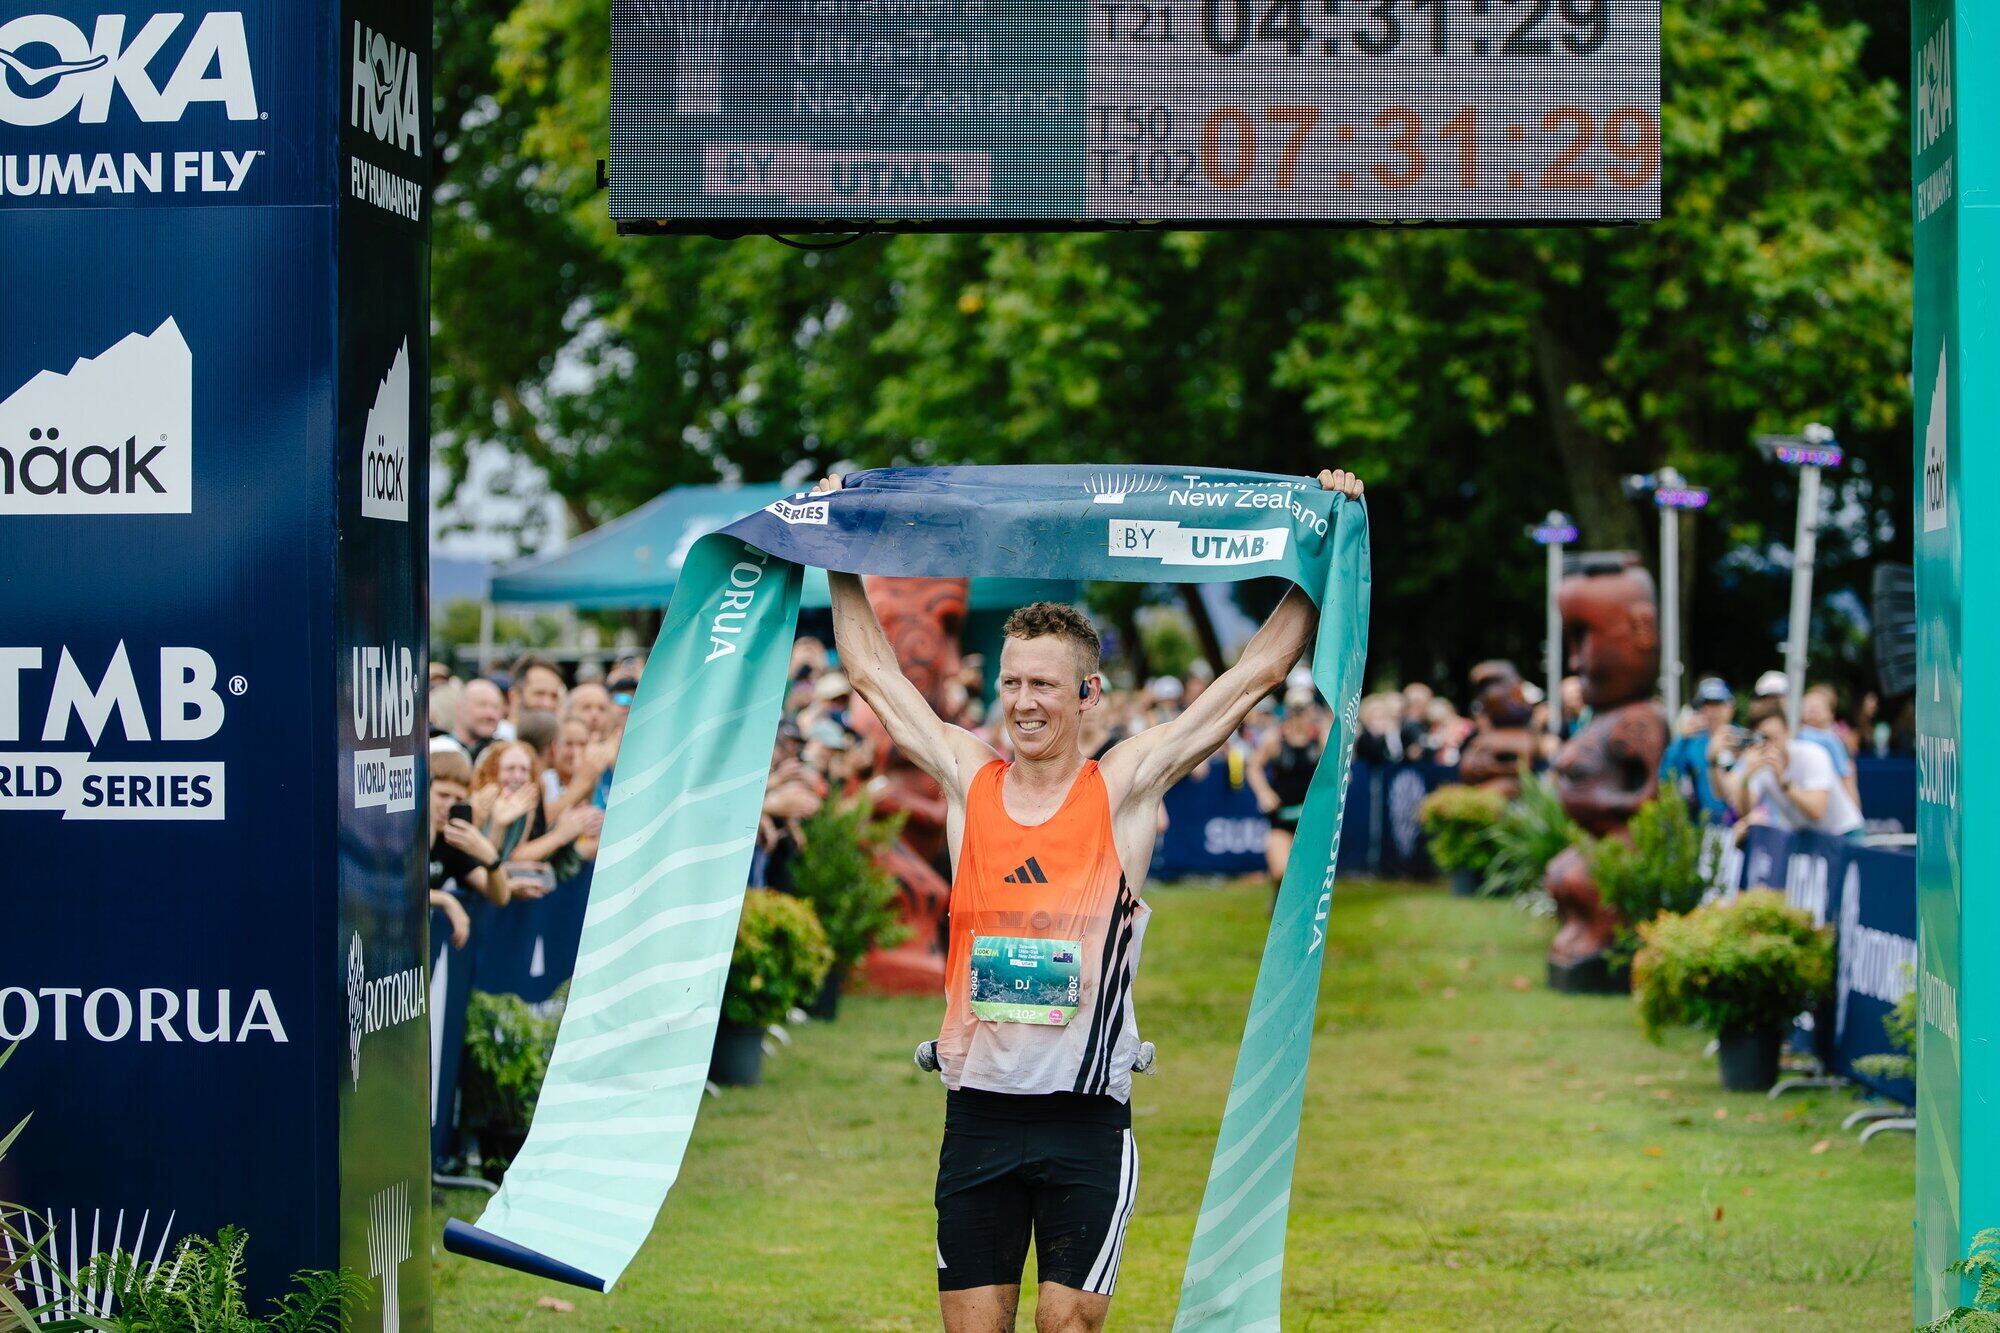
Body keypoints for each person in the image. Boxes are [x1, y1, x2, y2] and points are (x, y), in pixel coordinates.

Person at [816, 467, 1364, 1333]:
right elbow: (874, 675)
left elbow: (1252, 676)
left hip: (1086, 1122)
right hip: (980, 1117)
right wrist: (834, 546)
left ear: (1087, 693)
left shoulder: (1123, 788)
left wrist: (1323, 543)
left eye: (1044, 684)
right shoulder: (967, 776)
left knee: (1066, 1324)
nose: (1024, 702)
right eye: (1013, 682)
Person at [1728, 697, 1864, 839]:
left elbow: (1817, 811)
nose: (1770, 745)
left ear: (1787, 732)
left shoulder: (1813, 755)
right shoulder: (1761, 764)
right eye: (1763, 739)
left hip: (1844, 832)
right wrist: (1746, 777)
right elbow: (1743, 811)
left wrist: (1783, 781)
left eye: (1774, 737)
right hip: (1811, 838)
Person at [429, 748, 511, 946]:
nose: (449, 805)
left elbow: (500, 897)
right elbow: (392, 888)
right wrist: (446, 901)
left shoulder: (451, 839)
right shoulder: (400, 835)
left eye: (458, 799)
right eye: (443, 795)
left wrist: (490, 858)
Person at [1248, 687, 1324, 889]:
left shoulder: (1321, 738)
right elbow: (1253, 766)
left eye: (1304, 710)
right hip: (1282, 814)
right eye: (1295, 710)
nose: (1299, 716)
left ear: (1311, 710)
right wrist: (1264, 792)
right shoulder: (1275, 738)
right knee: (1279, 870)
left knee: (1307, 874)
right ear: (1287, 711)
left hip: (1311, 816)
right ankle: (1277, 898)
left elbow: (1339, 766)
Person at [1657, 676, 1740, 823]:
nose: (1712, 711)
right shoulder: (1692, 742)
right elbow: (1666, 777)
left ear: (1730, 707)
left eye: (1718, 703)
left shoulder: (1740, 738)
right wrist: (1681, 740)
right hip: (1703, 825)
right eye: (1706, 704)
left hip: (1738, 823)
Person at [1799, 684, 1862, 808]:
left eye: (1817, 707)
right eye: (1808, 706)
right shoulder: (1793, 735)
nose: (1812, 711)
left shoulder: (1831, 741)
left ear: (1830, 713)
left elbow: (1846, 778)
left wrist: (1855, 811)